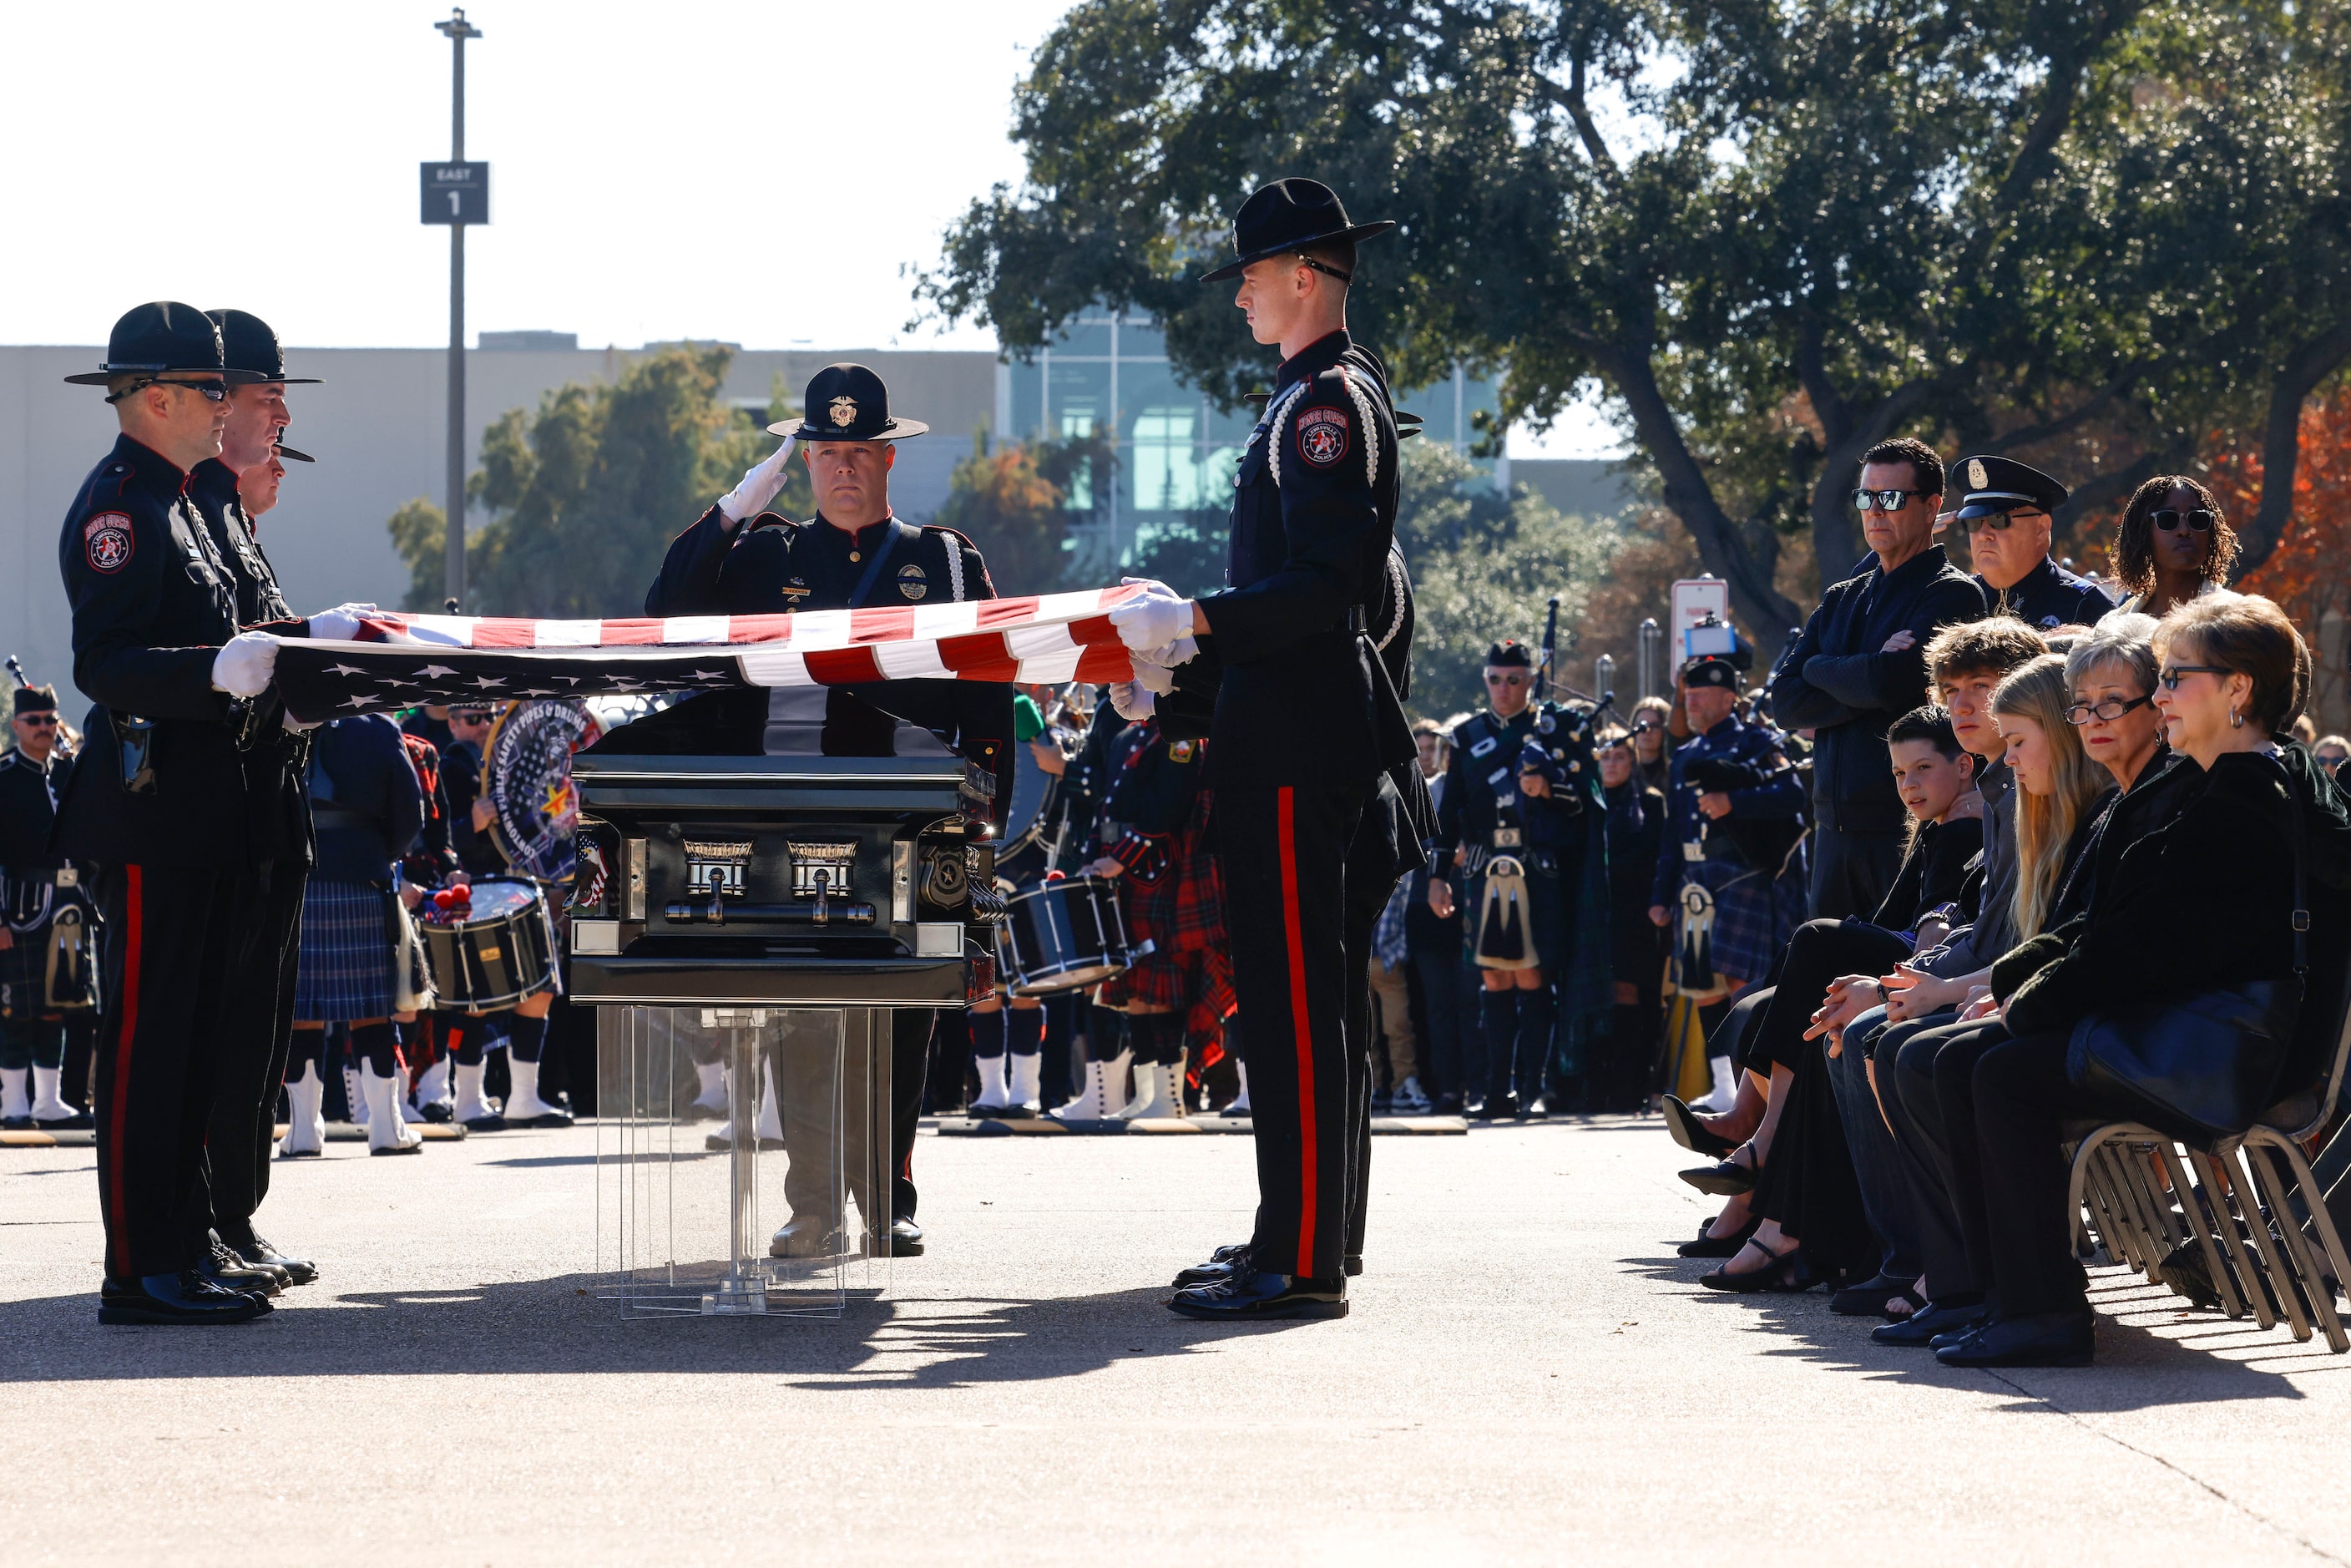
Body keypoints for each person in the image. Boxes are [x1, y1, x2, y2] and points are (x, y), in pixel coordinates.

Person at [1113, 177, 1414, 1320]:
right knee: (1309, 1003)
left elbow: (1325, 589)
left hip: (1295, 743)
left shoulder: (1325, 403)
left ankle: (1297, 1258)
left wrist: (1196, 622)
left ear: (1302, 276)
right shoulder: (1311, 397)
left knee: (1292, 1008)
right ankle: (1303, 1234)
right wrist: (1185, 676)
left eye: (1249, 273)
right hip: (1289, 728)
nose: (1237, 293)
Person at [635, 362, 1015, 1259]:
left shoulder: (948, 560)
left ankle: (886, 1196)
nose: (842, 466)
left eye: (859, 450)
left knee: (903, 1011)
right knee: (804, 1016)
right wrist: (738, 500)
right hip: (798, 815)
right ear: (804, 462)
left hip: (915, 820)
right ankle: (813, 1206)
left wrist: (980, 806)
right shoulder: (764, 558)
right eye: (824, 452)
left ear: (888, 458)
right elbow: (666, 608)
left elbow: (988, 683)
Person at [1941, 594, 2351, 1367]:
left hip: (2226, 1060)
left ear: (2238, 690)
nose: (2158, 696)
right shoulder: (2234, 782)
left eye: (2175, 678)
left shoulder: (2242, 799)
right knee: (1973, 1059)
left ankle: (2041, 1314)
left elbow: (2146, 950)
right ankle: (2002, 1302)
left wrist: (2021, 1009)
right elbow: (2126, 936)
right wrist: (2016, 991)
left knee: (1999, 1071)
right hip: (2203, 1033)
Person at [53, 302, 276, 1325]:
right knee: (148, 1045)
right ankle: (139, 1268)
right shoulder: (121, 510)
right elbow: (103, 663)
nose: (224, 406)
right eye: (210, 390)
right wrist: (214, 672)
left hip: (204, 815)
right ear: (154, 399)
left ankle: (185, 1248)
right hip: (150, 820)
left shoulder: (186, 503)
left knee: (191, 1044)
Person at [185, 311, 327, 1287]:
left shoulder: (228, 522)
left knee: (253, 1036)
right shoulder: (181, 515)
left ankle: (231, 1216)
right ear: (210, 405)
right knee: (205, 1034)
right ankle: (194, 1225)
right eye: (264, 396)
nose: (279, 415)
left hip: (261, 809)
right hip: (202, 812)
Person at [1769, 437, 1985, 919]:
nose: (1875, 511)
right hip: (1831, 832)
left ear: (1932, 507)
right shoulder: (1841, 597)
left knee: (1894, 979)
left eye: (1891, 498)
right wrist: (1859, 673)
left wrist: (1820, 668)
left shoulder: (1952, 593)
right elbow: (1784, 702)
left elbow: (1891, 684)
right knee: (1822, 982)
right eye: (1866, 498)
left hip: (1909, 828)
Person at [1427, 641, 1590, 1119]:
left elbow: (1584, 800)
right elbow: (1448, 813)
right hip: (1483, 866)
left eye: (1514, 679)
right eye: (1495, 679)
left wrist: (1548, 787)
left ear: (1530, 682)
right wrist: (1438, 878)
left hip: (1535, 866)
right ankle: (1496, 1092)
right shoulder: (1466, 736)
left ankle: (1535, 1089)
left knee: (1532, 973)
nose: (1504, 689)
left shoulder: (1554, 730)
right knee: (1494, 978)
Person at [1648, 655, 1808, 1096]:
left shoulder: (1758, 743)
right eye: (1688, 696)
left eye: (1700, 696)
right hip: (1693, 881)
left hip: (1743, 877)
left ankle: (1748, 1087)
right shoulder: (1684, 755)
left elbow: (1791, 795)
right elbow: (1672, 833)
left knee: (1743, 983)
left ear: (1727, 697)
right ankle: (1723, 1086)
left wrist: (1735, 803)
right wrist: (1660, 895)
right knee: (1702, 986)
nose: (1692, 703)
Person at [280, 715, 426, 1157]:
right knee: (371, 1008)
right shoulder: (378, 729)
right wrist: (374, 853)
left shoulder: (273, 723)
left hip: (293, 878)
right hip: (361, 874)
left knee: (302, 1010)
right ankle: (385, 1127)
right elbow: (409, 815)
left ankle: (304, 1132)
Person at [1083, 715, 1231, 1120]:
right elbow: (1107, 804)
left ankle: (1170, 1097)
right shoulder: (1129, 735)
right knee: (1135, 993)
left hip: (1160, 873)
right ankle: (1146, 1097)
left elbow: (1170, 804)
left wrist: (1121, 858)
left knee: (1163, 988)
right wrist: (1095, 856)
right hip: (1123, 876)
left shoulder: (1181, 734)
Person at [0, 684, 93, 1130]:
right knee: (17, 1010)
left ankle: (48, 1103)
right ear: (17, 725)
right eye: (34, 720)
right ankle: (14, 1105)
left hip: (69, 906)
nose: (43, 728)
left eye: (49, 719)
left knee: (59, 1006)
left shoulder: (68, 773)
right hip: (19, 908)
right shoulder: (3, 776)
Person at [1946, 454, 2113, 631]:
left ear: (2041, 528)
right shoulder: (1954, 601)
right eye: (1973, 522)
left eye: (1999, 520)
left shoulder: (2086, 607)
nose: (1983, 534)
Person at [1595, 724, 1666, 1112]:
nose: (1612, 763)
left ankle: (1629, 1087)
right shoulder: (1588, 799)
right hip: (1594, 914)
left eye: (1620, 756)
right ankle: (1599, 1085)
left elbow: (1650, 857)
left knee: (1631, 996)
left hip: (1633, 914)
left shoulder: (1651, 800)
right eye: (1605, 756)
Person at [2108, 475, 2237, 619]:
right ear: (2143, 531)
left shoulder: (2237, 620)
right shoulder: (2114, 625)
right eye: (2168, 519)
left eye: (2197, 519)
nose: (2185, 530)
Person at [1628, 696, 1673, 797]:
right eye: (1641, 726)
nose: (1647, 731)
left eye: (1655, 726)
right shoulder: (1623, 769)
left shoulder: (1675, 771)